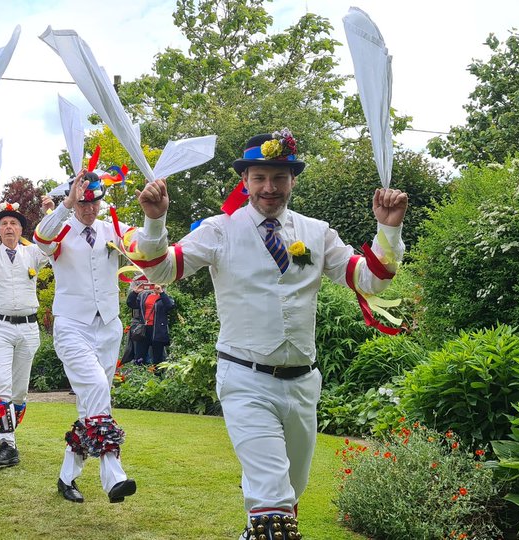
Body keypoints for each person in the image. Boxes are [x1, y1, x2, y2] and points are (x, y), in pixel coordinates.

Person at [133, 130, 409, 538]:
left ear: (292, 180)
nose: (269, 188)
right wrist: (154, 219)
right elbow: (158, 269)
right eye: (259, 177)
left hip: (302, 384)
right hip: (245, 378)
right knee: (273, 500)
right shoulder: (219, 229)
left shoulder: (316, 232)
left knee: (289, 494)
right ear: (244, 180)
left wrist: (389, 230)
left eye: (279, 177)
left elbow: (371, 279)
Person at [34, 171, 143, 504]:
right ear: (73, 200)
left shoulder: (113, 228)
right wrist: (65, 204)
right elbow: (41, 238)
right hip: (71, 325)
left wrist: (157, 215)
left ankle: (67, 477)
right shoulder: (61, 228)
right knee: (97, 389)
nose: (89, 209)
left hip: (108, 325)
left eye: (94, 202)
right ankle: (113, 475)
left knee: (92, 405)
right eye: (82, 202)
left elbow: (147, 247)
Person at [0, 198, 49, 468]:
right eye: (3, 223)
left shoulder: (34, 255)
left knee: (19, 391)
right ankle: (8, 444)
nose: (8, 227)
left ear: (21, 229)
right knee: (1, 384)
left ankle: (6, 434)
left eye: (13, 223)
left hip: (29, 326)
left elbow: (53, 241)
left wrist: (49, 212)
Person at [126, 283, 175, 366]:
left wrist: (161, 293)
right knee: (139, 355)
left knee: (158, 357)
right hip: (144, 329)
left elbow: (170, 306)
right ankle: (140, 374)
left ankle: (158, 376)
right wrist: (135, 292)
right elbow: (131, 304)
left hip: (158, 330)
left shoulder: (165, 297)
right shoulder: (144, 296)